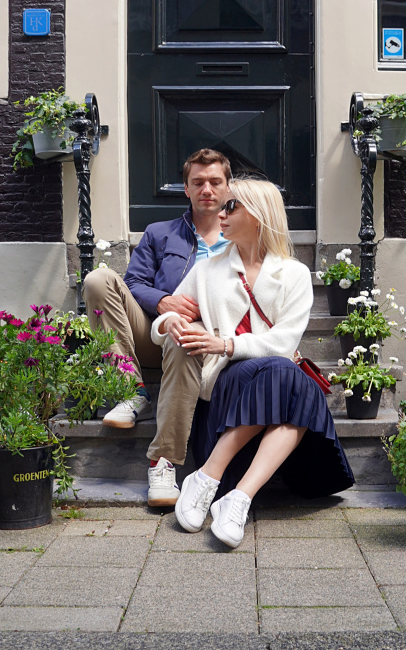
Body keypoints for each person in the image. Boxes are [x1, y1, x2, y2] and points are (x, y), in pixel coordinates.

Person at [151, 178, 355, 549]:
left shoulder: (293, 274)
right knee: (292, 378)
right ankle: (212, 480)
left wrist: (226, 343)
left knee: (285, 373)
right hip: (225, 389)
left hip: (273, 383)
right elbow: (162, 324)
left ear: (258, 215)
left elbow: (284, 342)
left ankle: (234, 495)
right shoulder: (207, 270)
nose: (220, 213)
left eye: (231, 206)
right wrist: (171, 322)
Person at [83, 148, 231, 507]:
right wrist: (163, 301)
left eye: (215, 182)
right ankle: (131, 391)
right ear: (186, 189)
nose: (207, 189)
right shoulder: (160, 233)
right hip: (155, 332)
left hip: (213, 342)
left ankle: (163, 461)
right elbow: (133, 283)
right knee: (98, 279)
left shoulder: (241, 237)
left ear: (228, 188)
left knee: (185, 338)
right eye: (198, 182)